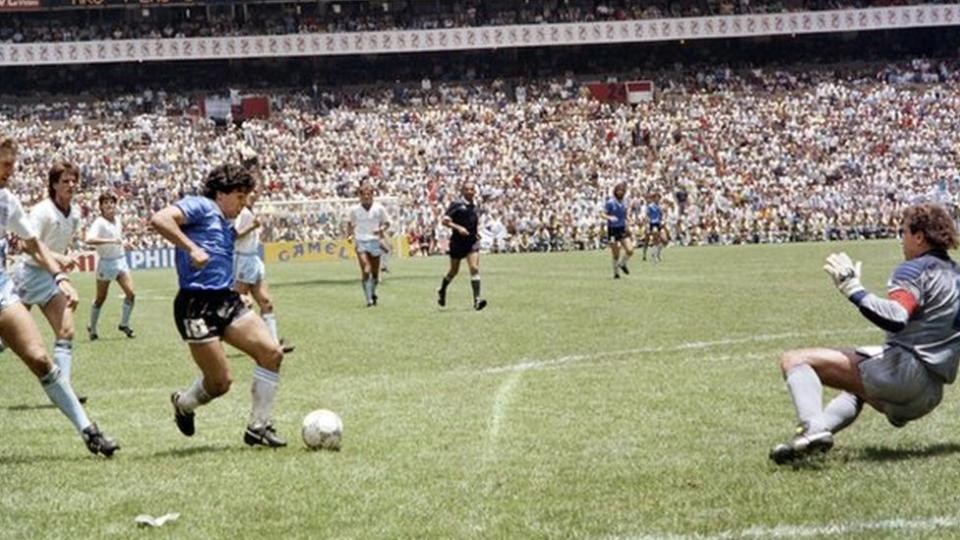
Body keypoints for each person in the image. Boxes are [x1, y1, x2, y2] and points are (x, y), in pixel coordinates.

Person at [770, 203, 960, 464]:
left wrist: (853, 289)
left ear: (918, 236)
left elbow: (896, 317)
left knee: (795, 360)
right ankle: (810, 440)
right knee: (854, 388)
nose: (900, 239)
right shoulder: (955, 274)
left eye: (903, 231)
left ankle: (813, 429)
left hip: (904, 375)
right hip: (930, 395)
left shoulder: (914, 269)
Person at [151, 164, 287, 448]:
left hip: (226, 299)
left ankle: (258, 427)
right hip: (195, 306)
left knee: (272, 353)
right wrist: (191, 248)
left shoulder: (225, 222)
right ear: (220, 194)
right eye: (239, 196)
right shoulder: (200, 205)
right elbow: (160, 219)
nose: (243, 203)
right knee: (220, 383)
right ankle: (184, 404)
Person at [0, 137, 118, 456]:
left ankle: (89, 432)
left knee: (40, 358)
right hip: (25, 277)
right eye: (5, 163)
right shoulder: (42, 209)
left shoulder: (7, 200)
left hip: (2, 290)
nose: (11, 170)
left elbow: (34, 243)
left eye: (12, 163)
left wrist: (60, 276)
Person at [13, 161, 89, 403]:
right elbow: (26, 246)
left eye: (73, 180)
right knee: (6, 338)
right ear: (54, 185)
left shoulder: (75, 214)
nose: (71, 185)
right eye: (65, 181)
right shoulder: (42, 211)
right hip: (27, 275)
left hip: (48, 277)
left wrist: (58, 264)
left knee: (66, 330)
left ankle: (63, 390)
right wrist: (59, 259)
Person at [233, 189, 294, 353]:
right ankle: (227, 338)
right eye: (250, 193)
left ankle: (273, 344)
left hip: (253, 259)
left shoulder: (249, 212)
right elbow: (234, 235)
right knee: (240, 305)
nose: (254, 195)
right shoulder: (240, 213)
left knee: (266, 303)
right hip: (242, 259)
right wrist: (252, 225)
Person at [85, 192, 136, 340]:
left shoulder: (118, 220)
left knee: (131, 293)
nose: (110, 205)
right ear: (101, 206)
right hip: (106, 263)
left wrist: (125, 244)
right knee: (100, 298)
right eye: (106, 203)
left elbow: (118, 239)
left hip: (120, 260)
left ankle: (124, 324)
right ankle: (93, 328)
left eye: (112, 203)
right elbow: (89, 239)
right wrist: (110, 241)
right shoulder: (99, 222)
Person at [437, 181, 487, 310]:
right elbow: (445, 221)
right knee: (454, 271)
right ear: (463, 191)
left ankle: (477, 300)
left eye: (472, 189)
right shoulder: (457, 205)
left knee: (474, 268)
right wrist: (458, 228)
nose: (470, 192)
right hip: (457, 242)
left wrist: (476, 234)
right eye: (467, 189)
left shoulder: (476, 206)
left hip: (471, 242)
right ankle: (442, 290)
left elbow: (473, 222)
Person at [346, 184, 390, 307]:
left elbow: (387, 223)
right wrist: (349, 235)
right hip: (361, 240)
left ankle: (372, 292)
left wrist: (381, 230)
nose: (366, 196)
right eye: (363, 194)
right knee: (366, 268)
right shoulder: (354, 209)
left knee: (375, 273)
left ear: (372, 195)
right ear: (359, 196)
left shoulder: (379, 208)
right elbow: (349, 223)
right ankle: (368, 299)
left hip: (375, 241)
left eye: (368, 194)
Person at [602, 182, 633, 279]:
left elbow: (626, 212)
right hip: (612, 230)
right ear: (615, 191)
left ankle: (622, 263)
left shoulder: (624, 202)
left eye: (622, 191)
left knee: (630, 250)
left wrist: (628, 218)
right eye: (619, 190)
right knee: (616, 252)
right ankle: (616, 273)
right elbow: (602, 214)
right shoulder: (610, 202)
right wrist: (609, 217)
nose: (621, 192)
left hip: (622, 228)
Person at [642, 192, 664, 262]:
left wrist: (662, 221)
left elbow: (661, 215)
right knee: (647, 240)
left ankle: (656, 254)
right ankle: (645, 255)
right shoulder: (650, 206)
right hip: (652, 224)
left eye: (658, 197)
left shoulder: (660, 206)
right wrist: (647, 225)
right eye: (656, 197)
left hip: (658, 224)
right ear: (653, 198)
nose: (657, 199)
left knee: (661, 240)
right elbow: (647, 216)